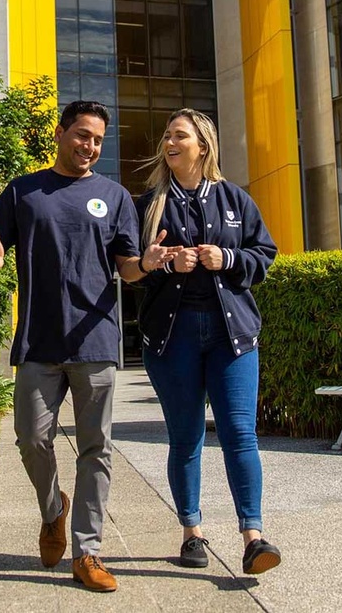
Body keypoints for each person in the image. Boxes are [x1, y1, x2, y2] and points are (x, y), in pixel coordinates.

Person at [0, 100, 177, 592]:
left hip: (96, 339)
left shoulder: (114, 196)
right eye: (83, 135)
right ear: (62, 133)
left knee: (97, 449)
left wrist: (146, 263)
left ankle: (88, 552)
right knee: (30, 438)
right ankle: (53, 509)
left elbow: (127, 267)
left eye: (98, 141)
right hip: (39, 340)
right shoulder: (25, 191)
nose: (90, 146)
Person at [134, 108, 282, 576]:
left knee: (240, 433)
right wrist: (160, 264)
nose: (169, 142)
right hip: (172, 338)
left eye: (179, 135)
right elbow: (129, 271)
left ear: (203, 145)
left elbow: (265, 254)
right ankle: (192, 533)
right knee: (186, 436)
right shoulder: (148, 204)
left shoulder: (235, 199)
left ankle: (253, 538)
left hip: (231, 336)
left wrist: (229, 258)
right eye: (166, 136)